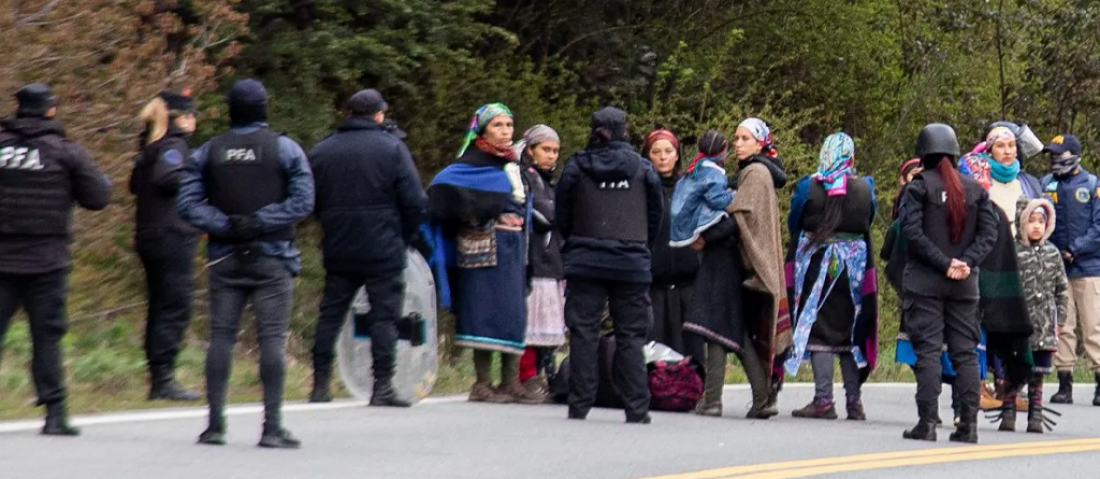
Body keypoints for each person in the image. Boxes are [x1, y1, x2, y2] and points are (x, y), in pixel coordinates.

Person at [177, 79, 315, 449]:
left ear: (231, 110)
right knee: (271, 339)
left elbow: (187, 204)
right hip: (273, 254)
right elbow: (303, 202)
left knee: (220, 338)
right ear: (264, 108)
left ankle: (215, 426)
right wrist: (260, 221)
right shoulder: (284, 148)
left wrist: (227, 225)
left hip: (224, 255)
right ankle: (272, 427)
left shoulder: (209, 150)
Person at [0, 83, 111, 436]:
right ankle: (54, 414)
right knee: (47, 337)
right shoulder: (66, 152)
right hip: (47, 262)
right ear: (50, 110)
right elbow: (98, 197)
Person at [307, 89, 427, 406]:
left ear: (348, 113)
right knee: (383, 317)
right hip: (383, 246)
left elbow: (309, 201)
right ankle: (382, 386)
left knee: (331, 314)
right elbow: (415, 202)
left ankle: (320, 384)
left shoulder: (322, 151)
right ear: (379, 114)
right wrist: (405, 236)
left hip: (339, 244)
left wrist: (330, 225)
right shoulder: (392, 148)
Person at [426, 103, 541, 405]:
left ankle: (511, 382)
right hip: (481, 251)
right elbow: (439, 195)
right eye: (498, 126)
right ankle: (482, 383)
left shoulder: (513, 166)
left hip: (514, 251)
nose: (505, 132)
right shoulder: (468, 166)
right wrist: (476, 211)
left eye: (509, 126)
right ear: (482, 130)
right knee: (484, 312)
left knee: (513, 313)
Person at [555, 106, 663, 423]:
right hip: (631, 262)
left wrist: (576, 246)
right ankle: (637, 408)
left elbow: (562, 214)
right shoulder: (643, 169)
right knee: (631, 336)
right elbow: (656, 216)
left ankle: (579, 405)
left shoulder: (577, 166)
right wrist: (639, 247)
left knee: (583, 333)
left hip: (585, 260)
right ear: (624, 131)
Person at [684, 117, 790, 419]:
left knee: (720, 326)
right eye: (737, 139)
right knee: (726, 328)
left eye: (746, 139)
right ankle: (754, 398)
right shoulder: (751, 172)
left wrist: (704, 238)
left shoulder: (756, 173)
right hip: (734, 260)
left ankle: (722, 399)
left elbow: (738, 219)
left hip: (731, 259)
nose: (739, 144)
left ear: (760, 143)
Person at [900, 123, 997, 443]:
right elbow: (989, 235)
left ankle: (927, 423)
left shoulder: (918, 188)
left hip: (925, 283)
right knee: (965, 353)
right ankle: (968, 425)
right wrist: (965, 263)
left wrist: (944, 264)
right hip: (964, 285)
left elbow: (912, 234)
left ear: (923, 154)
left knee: (927, 352)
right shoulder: (976, 190)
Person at [784, 133, 878, 421]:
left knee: (818, 326)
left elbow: (794, 222)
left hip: (816, 266)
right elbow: (868, 221)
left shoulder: (809, 187)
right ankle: (854, 402)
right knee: (850, 329)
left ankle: (823, 399)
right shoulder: (865, 188)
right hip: (853, 269)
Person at [129, 91, 202, 402]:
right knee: (174, 305)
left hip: (148, 233)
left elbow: (134, 185)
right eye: (192, 114)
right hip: (171, 235)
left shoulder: (149, 147)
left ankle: (158, 375)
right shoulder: (173, 147)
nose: (194, 120)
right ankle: (164, 378)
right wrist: (201, 183)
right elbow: (168, 178)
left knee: (159, 306)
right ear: (181, 117)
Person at [1042, 134, 1100, 406]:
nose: (1056, 159)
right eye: (1053, 154)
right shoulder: (1045, 184)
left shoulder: (1092, 184)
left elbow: (1098, 227)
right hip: (1056, 267)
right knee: (1062, 326)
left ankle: (1099, 382)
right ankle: (1064, 383)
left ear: (1074, 155)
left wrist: (1075, 249)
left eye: (1060, 154)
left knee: (1093, 326)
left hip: (1089, 268)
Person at [514, 124, 566, 397]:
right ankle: (526, 377)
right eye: (546, 149)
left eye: (555, 151)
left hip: (551, 260)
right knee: (532, 323)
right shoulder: (526, 179)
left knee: (546, 323)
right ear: (531, 150)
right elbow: (548, 215)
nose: (551, 155)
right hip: (534, 261)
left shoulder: (546, 180)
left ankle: (545, 375)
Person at [644, 129, 702, 359]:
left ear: (677, 154)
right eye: (656, 152)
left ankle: (694, 388)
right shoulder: (643, 188)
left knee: (690, 345)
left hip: (688, 278)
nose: (662, 157)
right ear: (648, 156)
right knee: (654, 346)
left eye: (668, 151)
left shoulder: (690, 186)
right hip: (654, 280)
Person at [1013, 197, 1067, 433]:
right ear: (1021, 223)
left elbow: (1062, 289)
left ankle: (1035, 414)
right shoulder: (1012, 251)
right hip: (1015, 324)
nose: (1036, 226)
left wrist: (1061, 319)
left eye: (1040, 222)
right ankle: (1008, 411)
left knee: (1037, 373)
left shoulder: (1052, 253)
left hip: (1044, 324)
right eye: (1031, 221)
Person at [669, 130, 734, 247]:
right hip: (691, 221)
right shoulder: (714, 174)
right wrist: (732, 195)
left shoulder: (696, 167)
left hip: (678, 217)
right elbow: (716, 201)